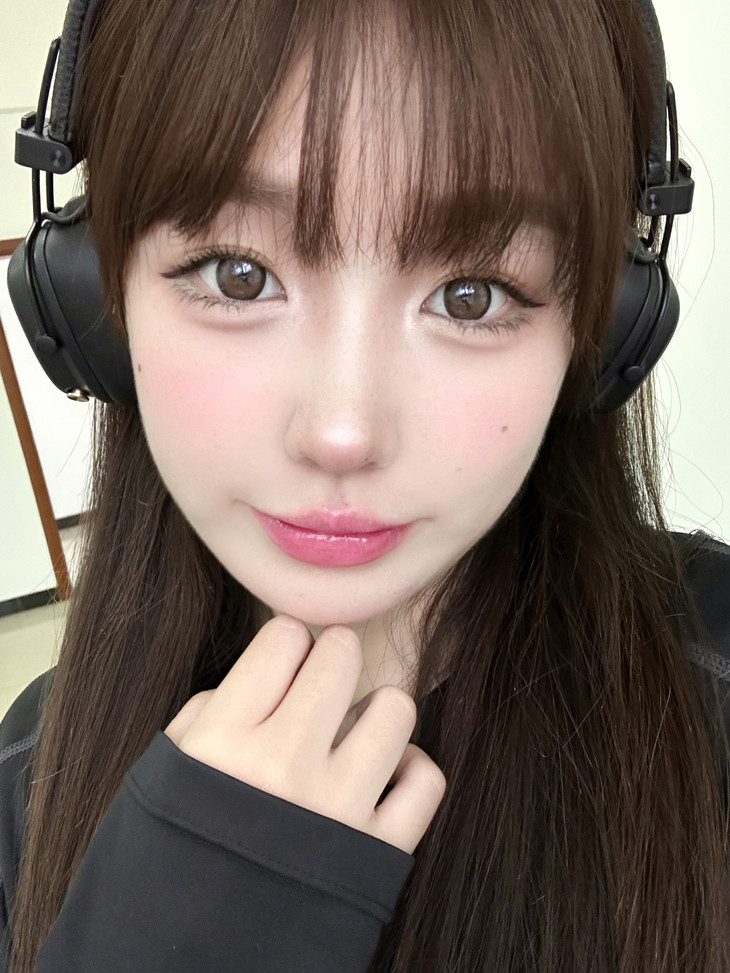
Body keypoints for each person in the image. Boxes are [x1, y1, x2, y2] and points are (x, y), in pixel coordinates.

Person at [1, 0, 729, 970]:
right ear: (94, 298)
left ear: (602, 330)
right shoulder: (28, 771)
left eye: (470, 295)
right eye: (237, 273)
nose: (342, 431)